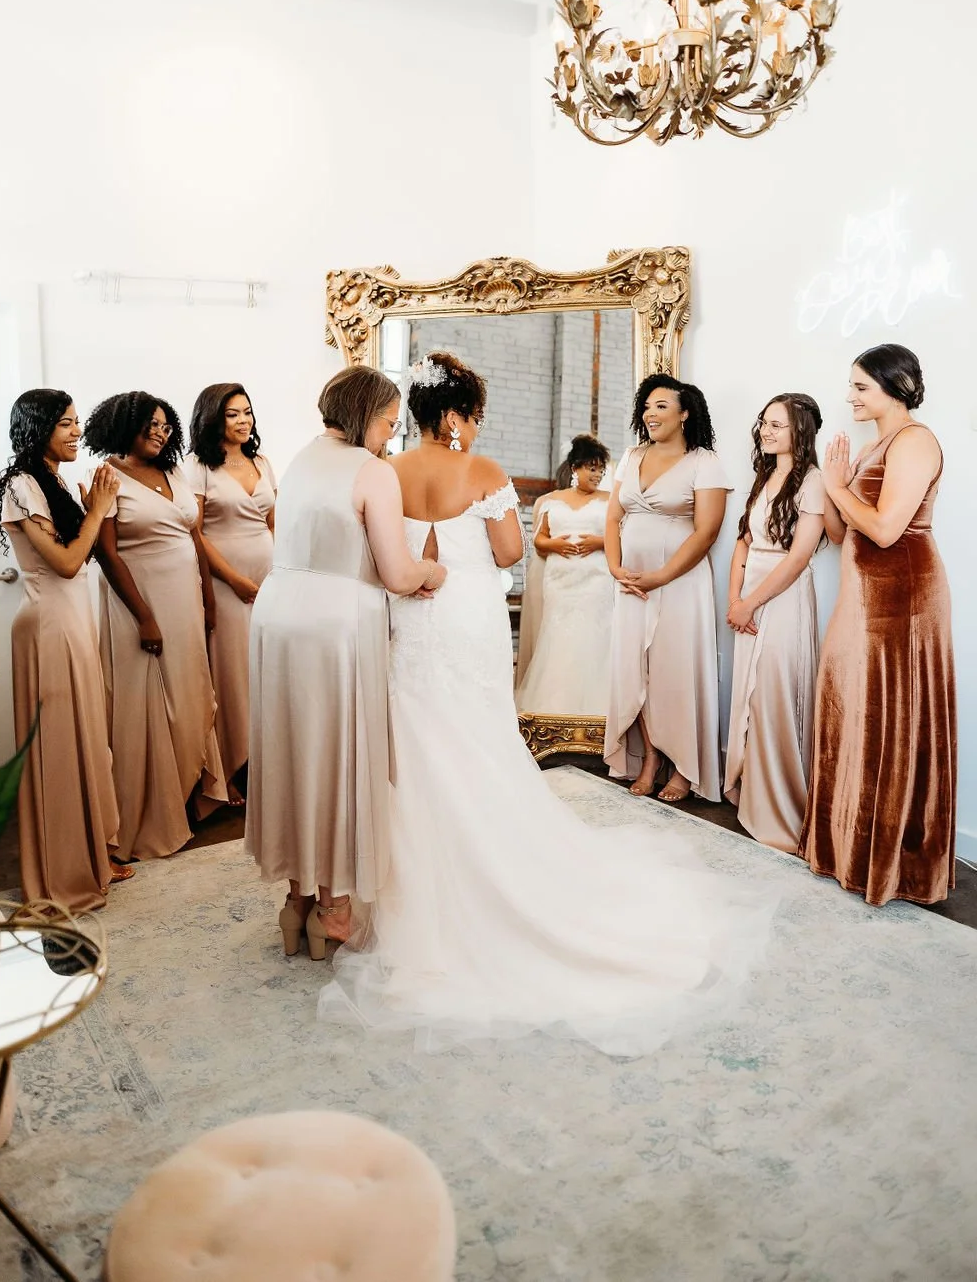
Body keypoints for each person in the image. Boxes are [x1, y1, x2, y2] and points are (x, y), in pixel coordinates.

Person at [317, 353, 771, 1059]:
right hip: (465, 616)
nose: (477, 426)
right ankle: (488, 871)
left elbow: (377, 555)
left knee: (412, 738)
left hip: (407, 617)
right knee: (476, 737)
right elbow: (507, 553)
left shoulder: (386, 471)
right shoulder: (482, 470)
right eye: (475, 415)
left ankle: (407, 893)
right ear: (457, 415)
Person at [245, 365, 446, 960]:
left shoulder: (300, 459)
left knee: (293, 752)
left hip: (277, 611)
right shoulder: (372, 471)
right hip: (335, 622)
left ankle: (296, 901)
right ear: (366, 416)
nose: (392, 434)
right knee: (336, 758)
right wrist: (433, 570)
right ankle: (332, 911)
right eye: (389, 422)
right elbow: (398, 573)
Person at [799, 344, 956, 906]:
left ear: (898, 386)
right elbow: (842, 534)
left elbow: (888, 530)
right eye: (852, 386)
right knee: (852, 707)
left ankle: (896, 863)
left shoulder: (915, 441)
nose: (851, 397)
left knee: (891, 715)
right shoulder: (870, 447)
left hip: (903, 594)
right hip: (861, 594)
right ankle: (848, 847)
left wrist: (839, 486)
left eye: (861, 387)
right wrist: (832, 486)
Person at [0, 389, 125, 911]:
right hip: (47, 627)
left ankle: (89, 856)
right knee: (60, 749)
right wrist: (99, 512)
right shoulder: (22, 486)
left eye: (76, 422)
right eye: (66, 423)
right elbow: (66, 564)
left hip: (69, 621)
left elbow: (75, 558)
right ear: (38, 427)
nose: (77, 432)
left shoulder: (51, 480)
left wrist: (89, 511)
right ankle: (64, 872)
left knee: (83, 738)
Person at [84, 391, 228, 862]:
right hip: (139, 606)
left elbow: (194, 536)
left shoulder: (174, 471)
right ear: (124, 426)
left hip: (186, 601)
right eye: (150, 425)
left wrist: (208, 598)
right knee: (147, 707)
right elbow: (106, 554)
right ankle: (147, 815)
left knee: (190, 699)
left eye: (166, 426)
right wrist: (144, 616)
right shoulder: (107, 476)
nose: (160, 433)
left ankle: (184, 797)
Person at [603, 374, 730, 803]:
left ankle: (682, 766)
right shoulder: (631, 455)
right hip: (631, 582)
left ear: (685, 413)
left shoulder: (704, 461)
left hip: (680, 582)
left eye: (660, 406)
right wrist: (615, 567)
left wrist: (662, 576)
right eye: (646, 406)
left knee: (674, 669)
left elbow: (707, 531)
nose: (650, 414)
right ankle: (650, 758)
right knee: (635, 668)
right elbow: (612, 518)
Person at [724, 395, 826, 853]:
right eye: (764, 422)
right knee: (750, 693)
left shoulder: (813, 481)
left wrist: (751, 603)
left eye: (777, 425)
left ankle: (780, 810)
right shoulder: (764, 476)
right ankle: (752, 795)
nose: (766, 431)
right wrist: (735, 600)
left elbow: (799, 556)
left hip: (785, 598)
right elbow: (743, 542)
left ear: (799, 431)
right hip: (750, 595)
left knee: (773, 695)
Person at [187, 383, 277, 802]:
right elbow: (195, 532)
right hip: (225, 584)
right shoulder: (199, 467)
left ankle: (266, 763)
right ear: (213, 418)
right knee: (232, 673)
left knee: (266, 670)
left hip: (269, 580)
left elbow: (274, 523)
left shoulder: (262, 461)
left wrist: (281, 574)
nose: (244, 421)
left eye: (247, 412)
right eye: (232, 414)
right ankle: (232, 770)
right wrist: (232, 579)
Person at [515, 434, 614, 715]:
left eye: (600, 470)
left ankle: (596, 710)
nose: (597, 475)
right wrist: (556, 545)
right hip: (560, 580)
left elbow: (622, 537)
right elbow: (539, 539)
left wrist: (599, 542)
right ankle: (554, 707)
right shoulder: (551, 501)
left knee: (595, 635)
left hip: (597, 579)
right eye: (592, 468)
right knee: (558, 637)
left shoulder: (610, 500)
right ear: (575, 468)